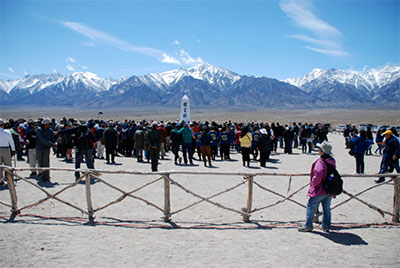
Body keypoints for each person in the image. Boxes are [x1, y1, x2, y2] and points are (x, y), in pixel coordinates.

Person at [298, 141, 335, 233]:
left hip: (320, 189)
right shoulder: (331, 161)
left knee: (311, 205)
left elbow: (318, 175)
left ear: (322, 151)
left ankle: (308, 225)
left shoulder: (321, 162)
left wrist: (314, 185)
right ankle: (325, 225)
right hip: (329, 188)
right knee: (326, 207)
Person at [36, 117, 56, 182]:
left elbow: (52, 138)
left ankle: (46, 176)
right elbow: (43, 139)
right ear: (45, 124)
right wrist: (51, 144)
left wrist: (54, 143)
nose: (50, 125)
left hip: (46, 148)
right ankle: (42, 174)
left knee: (46, 162)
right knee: (40, 162)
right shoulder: (39, 130)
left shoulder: (50, 130)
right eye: (48, 124)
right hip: (39, 148)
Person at [0, 119, 16, 186]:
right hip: (6, 149)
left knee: (0, 166)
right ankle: (9, 178)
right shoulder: (7, 132)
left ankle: (0, 180)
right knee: (8, 165)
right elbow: (11, 142)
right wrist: (13, 149)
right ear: (3, 125)